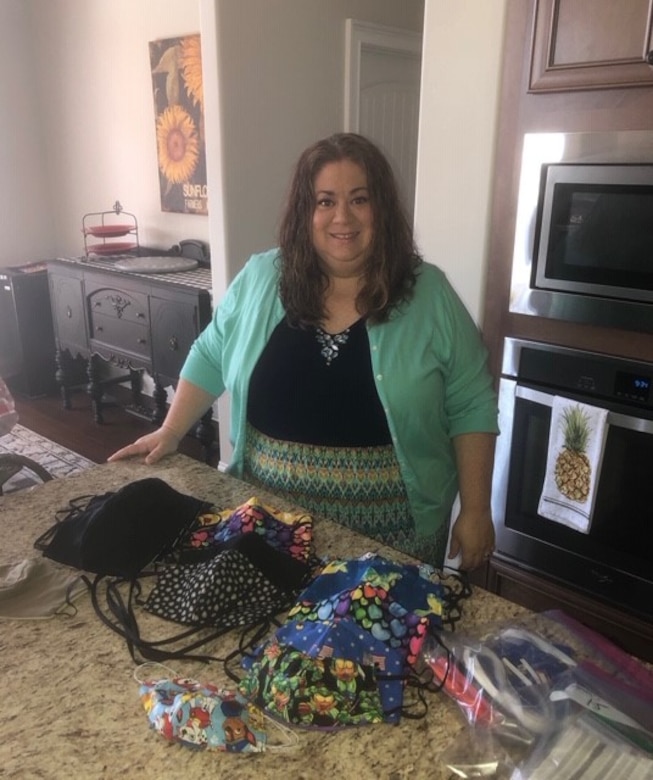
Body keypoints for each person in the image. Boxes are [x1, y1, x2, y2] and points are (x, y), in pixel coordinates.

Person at [109, 133, 499, 571]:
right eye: (325, 201)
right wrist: (171, 430)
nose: (342, 218)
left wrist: (477, 509)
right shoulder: (261, 277)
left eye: (359, 199)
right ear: (305, 211)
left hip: (393, 540)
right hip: (269, 525)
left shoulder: (431, 294)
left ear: (381, 209)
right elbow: (211, 352)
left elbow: (472, 402)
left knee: (374, 639)